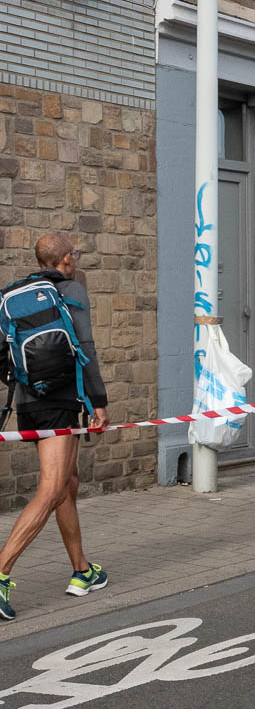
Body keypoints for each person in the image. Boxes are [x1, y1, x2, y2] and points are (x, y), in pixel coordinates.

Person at [0, 234, 110, 621]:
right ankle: (1, 572)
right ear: (66, 259)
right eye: (75, 254)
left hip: (29, 404)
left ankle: (82, 570)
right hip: (61, 403)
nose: (76, 259)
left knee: (68, 483)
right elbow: (86, 347)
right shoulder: (72, 289)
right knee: (50, 489)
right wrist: (99, 402)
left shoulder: (15, 293)